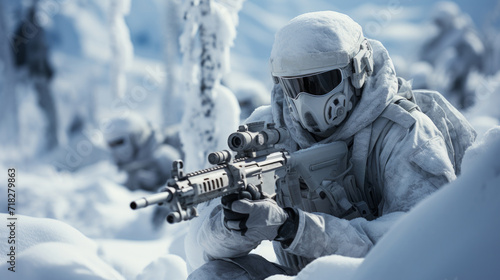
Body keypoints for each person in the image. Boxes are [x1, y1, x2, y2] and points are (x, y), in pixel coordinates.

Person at [188, 11, 474, 279]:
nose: (303, 100)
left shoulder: (402, 132)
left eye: (318, 83)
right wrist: (232, 226)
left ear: (356, 73)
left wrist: (292, 227)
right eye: (292, 86)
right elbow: (201, 248)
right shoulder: (268, 132)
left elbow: (417, 245)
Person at [104, 112, 181, 192]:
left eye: (119, 142)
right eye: (111, 145)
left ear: (136, 136)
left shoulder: (165, 156)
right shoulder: (127, 166)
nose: (116, 149)